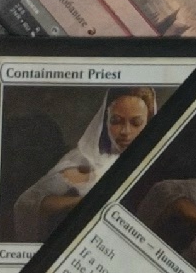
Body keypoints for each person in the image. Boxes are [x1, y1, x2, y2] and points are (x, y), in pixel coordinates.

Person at [10, 88, 157, 239]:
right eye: (116, 121)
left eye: (136, 123)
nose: (125, 131)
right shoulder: (88, 160)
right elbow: (27, 203)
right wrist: (83, 201)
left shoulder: (158, 163)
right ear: (105, 121)